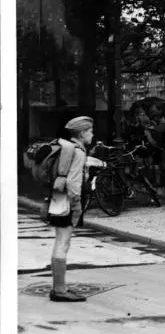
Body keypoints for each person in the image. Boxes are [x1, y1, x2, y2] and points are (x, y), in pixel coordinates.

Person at [47, 116, 95, 302]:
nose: (92, 134)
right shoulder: (78, 152)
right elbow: (74, 184)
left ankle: (57, 287)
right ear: (82, 133)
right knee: (63, 243)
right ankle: (60, 290)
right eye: (90, 131)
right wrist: (76, 207)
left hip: (58, 198)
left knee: (60, 241)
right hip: (68, 201)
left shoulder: (66, 147)